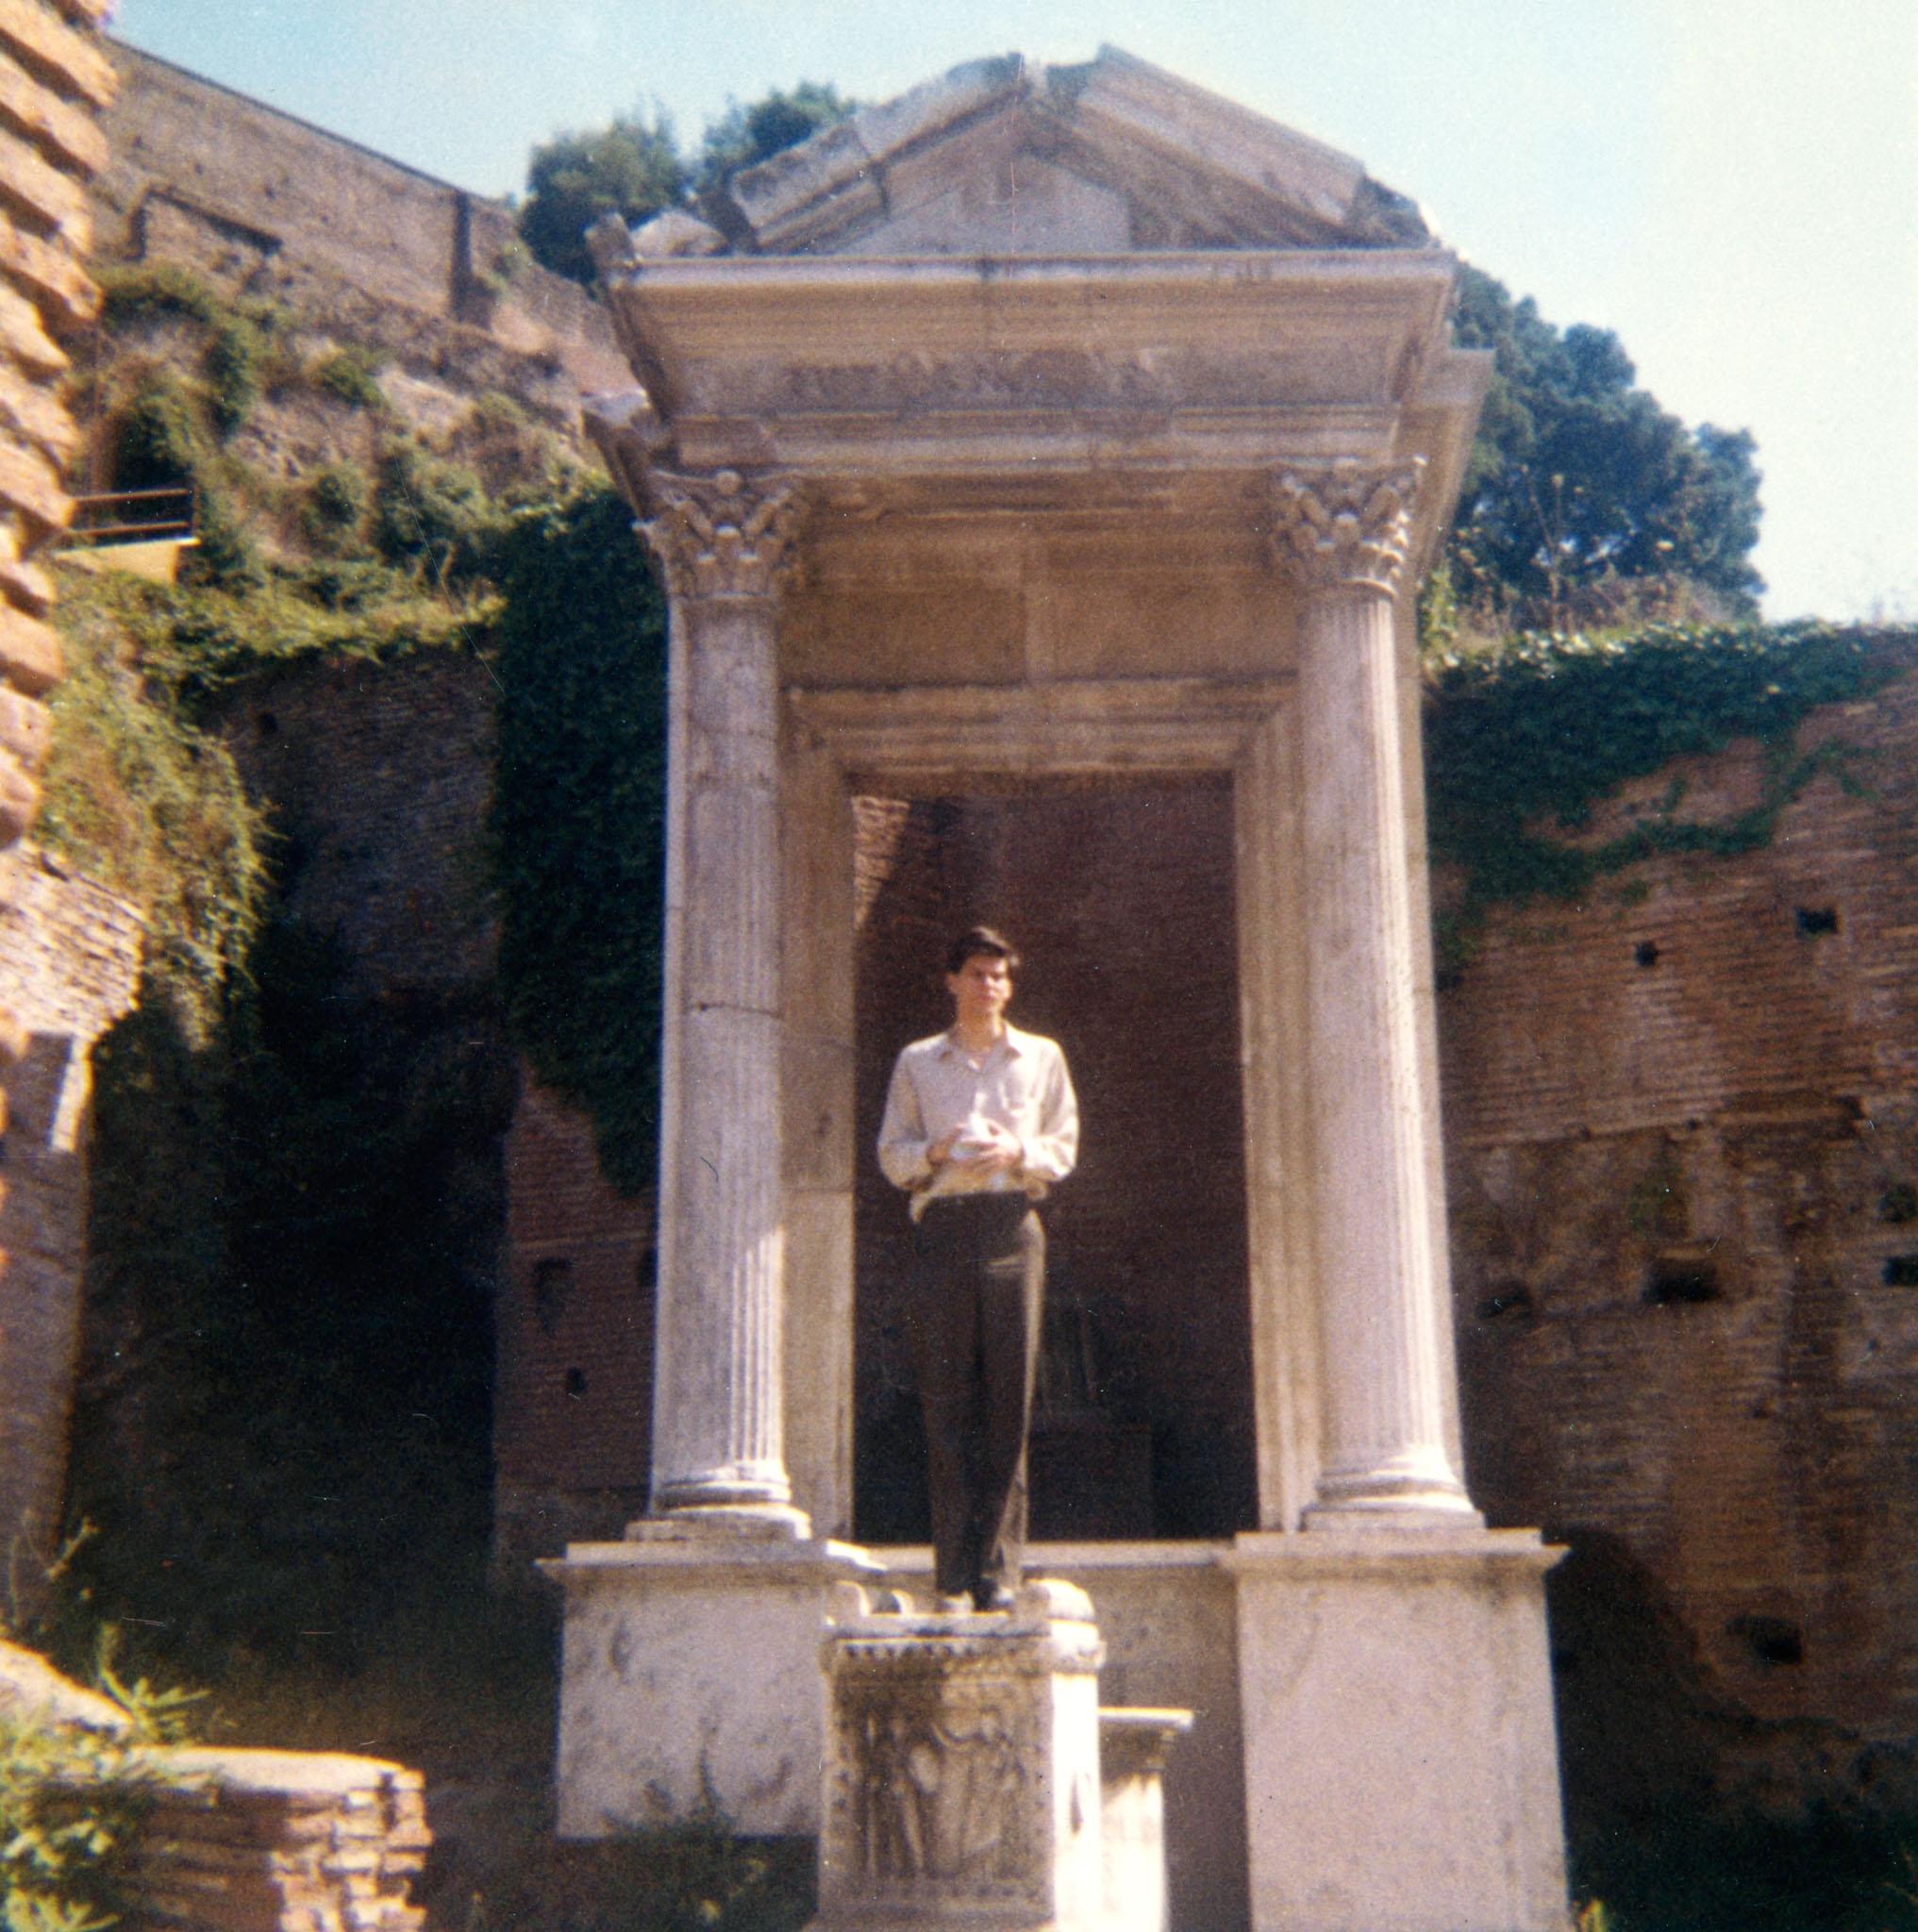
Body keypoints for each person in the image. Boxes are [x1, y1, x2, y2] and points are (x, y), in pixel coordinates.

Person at [877, 926, 1079, 1612]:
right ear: (952, 982)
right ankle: (952, 1577)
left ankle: (999, 1573)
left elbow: (1063, 1145)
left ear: (1008, 986)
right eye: (975, 973)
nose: (988, 986)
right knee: (945, 1404)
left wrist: (1016, 1151)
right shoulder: (916, 1062)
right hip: (942, 1229)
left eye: (998, 976)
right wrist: (933, 1154)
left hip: (1009, 1229)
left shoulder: (1040, 1057)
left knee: (1008, 1403)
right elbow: (890, 1152)